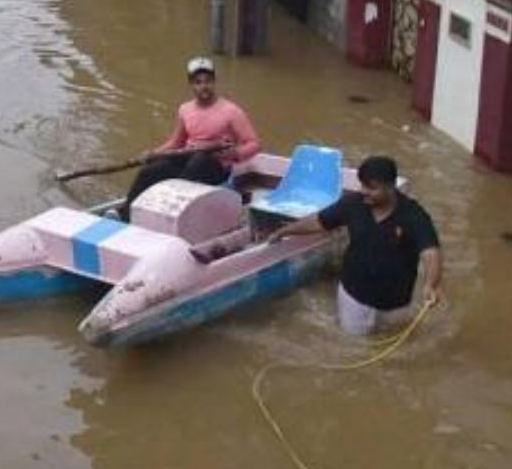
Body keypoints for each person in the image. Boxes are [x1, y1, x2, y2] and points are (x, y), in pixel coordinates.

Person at [268, 155, 442, 336]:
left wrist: (431, 284)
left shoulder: (414, 215)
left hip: (396, 303)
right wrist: (284, 231)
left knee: (392, 347)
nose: (364, 191)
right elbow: (319, 222)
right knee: (352, 346)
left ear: (390, 187)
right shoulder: (352, 204)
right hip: (354, 296)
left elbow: (430, 252)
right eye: (363, 185)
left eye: (371, 188)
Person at [117, 57, 261, 220]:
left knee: (197, 161)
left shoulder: (231, 111)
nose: (203, 86)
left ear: (214, 82)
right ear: (191, 85)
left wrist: (234, 153)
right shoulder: (185, 109)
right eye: (198, 82)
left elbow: (254, 144)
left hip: (217, 168)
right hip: (188, 160)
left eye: (207, 81)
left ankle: (169, 214)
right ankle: (126, 213)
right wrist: (153, 153)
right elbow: (176, 143)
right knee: (150, 171)